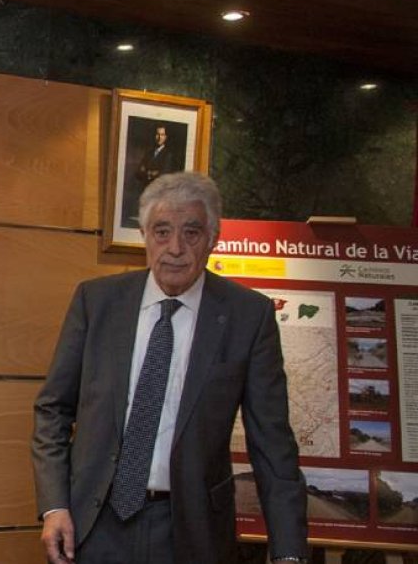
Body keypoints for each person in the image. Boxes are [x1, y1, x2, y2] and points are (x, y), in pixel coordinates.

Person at [31, 172, 308, 564]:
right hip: (93, 525)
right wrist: (54, 505)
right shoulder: (97, 303)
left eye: (191, 233)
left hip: (190, 532)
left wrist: (289, 554)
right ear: (143, 234)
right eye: (162, 231)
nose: (175, 248)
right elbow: (52, 410)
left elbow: (273, 446)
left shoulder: (249, 316)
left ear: (213, 238)